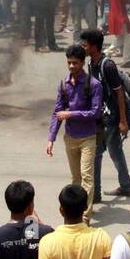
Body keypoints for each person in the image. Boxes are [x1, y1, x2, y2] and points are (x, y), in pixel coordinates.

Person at [46, 44, 103, 221]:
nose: (71, 66)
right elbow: (57, 111)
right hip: (70, 138)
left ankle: (85, 216)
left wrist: (70, 114)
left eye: (75, 63)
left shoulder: (94, 85)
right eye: (69, 62)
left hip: (88, 138)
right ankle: (76, 212)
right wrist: (51, 138)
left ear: (83, 63)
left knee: (87, 177)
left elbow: (95, 113)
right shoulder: (63, 84)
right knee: (75, 178)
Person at [80, 28, 130, 202]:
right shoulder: (90, 63)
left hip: (110, 117)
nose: (82, 47)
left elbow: (119, 93)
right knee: (111, 151)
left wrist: (123, 121)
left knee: (101, 152)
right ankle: (123, 187)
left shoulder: (107, 65)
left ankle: (97, 193)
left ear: (94, 47)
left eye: (85, 45)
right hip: (99, 116)